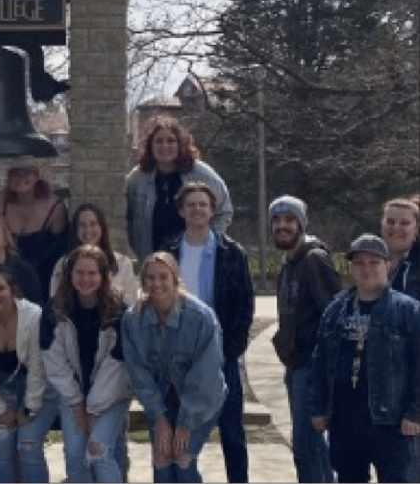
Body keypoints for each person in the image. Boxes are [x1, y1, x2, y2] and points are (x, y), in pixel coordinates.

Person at [162, 182, 254, 482]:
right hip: (179, 356)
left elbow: (245, 305)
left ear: (212, 210)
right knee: (180, 433)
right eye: (191, 204)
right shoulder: (169, 251)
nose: (197, 209)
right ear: (181, 211)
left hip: (221, 354)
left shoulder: (232, 253)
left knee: (232, 435)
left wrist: (230, 350)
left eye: (203, 204)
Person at [311, 234, 420, 483]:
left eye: (374, 262)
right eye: (359, 263)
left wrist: (415, 412)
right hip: (345, 420)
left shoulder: (407, 311)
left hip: (391, 422)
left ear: (387, 265)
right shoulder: (335, 310)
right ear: (349, 267)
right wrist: (319, 407)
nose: (366, 269)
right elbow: (320, 362)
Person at [121, 252, 227, 483]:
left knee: (181, 457)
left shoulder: (201, 317)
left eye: (163, 277)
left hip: (201, 399)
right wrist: (159, 418)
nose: (156, 284)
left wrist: (186, 422)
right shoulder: (133, 319)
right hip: (161, 398)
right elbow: (138, 373)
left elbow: (206, 375)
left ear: (175, 279)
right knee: (161, 457)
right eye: (150, 278)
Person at [40, 245, 132, 483]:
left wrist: (91, 408)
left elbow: (117, 366)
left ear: (103, 276)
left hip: (112, 394)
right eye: (79, 272)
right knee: (74, 454)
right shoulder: (54, 311)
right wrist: (78, 403)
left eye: (92, 273)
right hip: (72, 396)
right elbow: (55, 363)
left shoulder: (120, 312)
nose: (85, 279)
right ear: (70, 275)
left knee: (98, 449)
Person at [0, 265, 59, 482]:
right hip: (1, 385)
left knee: (27, 444)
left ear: (13, 290)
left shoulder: (33, 315)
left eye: (0, 288)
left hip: (41, 388)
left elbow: (38, 367)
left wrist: (29, 408)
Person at [269, 195, 339, 482]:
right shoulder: (288, 266)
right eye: (277, 220)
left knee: (305, 447)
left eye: (289, 220)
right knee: (313, 447)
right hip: (295, 365)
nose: (282, 226)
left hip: (312, 366)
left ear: (301, 223)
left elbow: (333, 313)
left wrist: (324, 365)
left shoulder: (314, 260)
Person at [124, 116, 233, 262]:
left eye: (171, 141)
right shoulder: (136, 179)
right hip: (153, 263)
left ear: (180, 144)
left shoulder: (202, 174)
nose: (164, 146)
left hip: (193, 259)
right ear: (150, 145)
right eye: (158, 141)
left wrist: (206, 243)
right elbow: (125, 218)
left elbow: (224, 211)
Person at [380, 196, 420, 481]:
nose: (397, 228)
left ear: (416, 228)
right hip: (386, 389)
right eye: (391, 221)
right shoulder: (379, 265)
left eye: (405, 223)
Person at [0, 156, 69, 294]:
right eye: (15, 173)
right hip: (7, 278)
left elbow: (60, 250)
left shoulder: (55, 208)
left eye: (27, 173)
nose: (20, 178)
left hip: (44, 278)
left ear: (36, 176)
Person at [50, 203, 138, 305]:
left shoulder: (123, 264)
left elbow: (132, 305)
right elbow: (56, 304)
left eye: (93, 224)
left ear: (102, 227)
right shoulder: (62, 265)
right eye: (82, 225)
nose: (88, 230)